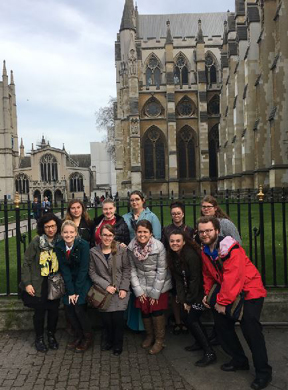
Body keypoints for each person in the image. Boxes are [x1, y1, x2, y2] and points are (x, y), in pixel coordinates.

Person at [198, 216, 272, 390]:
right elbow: (208, 275)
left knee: (250, 328)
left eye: (208, 230)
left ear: (217, 231)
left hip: (250, 289)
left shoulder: (231, 248)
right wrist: (208, 294)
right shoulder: (206, 251)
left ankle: (264, 372)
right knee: (221, 324)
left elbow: (234, 277)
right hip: (228, 289)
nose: (205, 234)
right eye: (201, 231)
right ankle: (239, 359)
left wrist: (222, 302)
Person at [167, 231, 216, 366]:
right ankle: (199, 343)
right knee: (186, 316)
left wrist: (189, 300)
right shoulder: (173, 256)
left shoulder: (190, 255)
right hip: (190, 292)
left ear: (183, 242)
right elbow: (178, 279)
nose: (174, 243)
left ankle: (209, 352)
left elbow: (195, 279)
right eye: (172, 241)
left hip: (201, 291)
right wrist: (182, 299)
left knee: (192, 318)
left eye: (178, 241)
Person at [127, 220, 172, 354]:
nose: (142, 234)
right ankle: (150, 335)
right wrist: (139, 290)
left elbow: (162, 270)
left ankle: (159, 340)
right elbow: (132, 270)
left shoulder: (159, 247)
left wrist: (154, 293)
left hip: (158, 284)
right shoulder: (131, 248)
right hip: (141, 283)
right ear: (135, 233)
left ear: (151, 233)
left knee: (156, 310)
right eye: (139, 232)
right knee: (145, 310)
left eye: (145, 232)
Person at [20, 213, 62, 352]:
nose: (51, 229)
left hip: (54, 281)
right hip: (39, 282)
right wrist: (27, 283)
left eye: (53, 226)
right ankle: (39, 338)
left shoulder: (61, 241)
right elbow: (26, 262)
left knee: (53, 311)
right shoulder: (37, 241)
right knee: (39, 312)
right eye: (47, 227)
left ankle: (51, 335)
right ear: (43, 228)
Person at [89, 225, 131, 356]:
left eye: (110, 235)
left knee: (118, 320)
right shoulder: (94, 252)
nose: (107, 238)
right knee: (107, 320)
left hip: (119, 290)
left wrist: (124, 288)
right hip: (104, 292)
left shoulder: (121, 249)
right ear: (100, 236)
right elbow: (92, 272)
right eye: (105, 235)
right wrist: (106, 285)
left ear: (114, 236)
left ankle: (118, 344)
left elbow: (126, 269)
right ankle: (108, 340)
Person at [123, 190, 162, 331]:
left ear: (143, 200)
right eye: (132, 200)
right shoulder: (125, 217)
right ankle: (135, 325)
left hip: (147, 260)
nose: (134, 202)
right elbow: (122, 235)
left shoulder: (151, 217)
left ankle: (150, 329)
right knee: (135, 290)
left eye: (137, 199)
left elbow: (156, 237)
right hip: (131, 257)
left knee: (147, 291)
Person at [55, 220, 93, 352]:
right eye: (65, 232)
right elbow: (64, 270)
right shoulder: (59, 246)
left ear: (76, 233)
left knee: (78, 307)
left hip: (82, 281)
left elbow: (83, 270)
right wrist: (71, 292)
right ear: (61, 233)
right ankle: (78, 335)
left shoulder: (83, 245)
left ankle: (87, 337)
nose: (68, 235)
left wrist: (76, 292)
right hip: (69, 281)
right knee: (68, 307)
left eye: (71, 232)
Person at [162, 201, 194, 335]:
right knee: (174, 294)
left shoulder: (190, 230)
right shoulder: (166, 230)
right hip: (172, 265)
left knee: (188, 292)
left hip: (187, 265)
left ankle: (189, 320)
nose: (176, 216)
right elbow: (164, 247)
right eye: (174, 213)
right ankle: (178, 321)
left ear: (183, 214)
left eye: (178, 213)